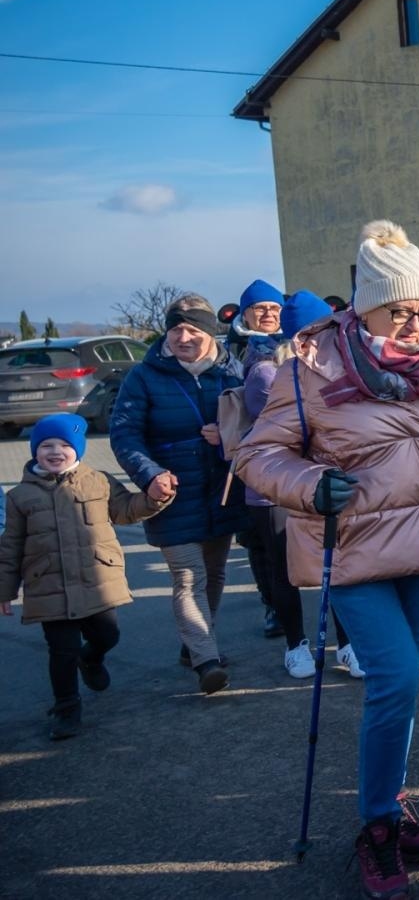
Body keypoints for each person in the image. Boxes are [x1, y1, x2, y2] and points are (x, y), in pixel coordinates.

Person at [234, 220, 419, 898]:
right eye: (399, 309)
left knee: (397, 689)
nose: (413, 322)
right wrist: (312, 487)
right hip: (350, 553)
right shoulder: (311, 368)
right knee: (396, 678)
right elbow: (256, 455)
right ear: (365, 306)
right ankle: (375, 824)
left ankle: (389, 798)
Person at [0, 414, 172, 739]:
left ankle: (91, 659)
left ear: (78, 450)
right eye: (46, 445)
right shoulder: (19, 496)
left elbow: (127, 510)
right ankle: (66, 708)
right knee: (61, 651)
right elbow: (10, 547)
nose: (55, 451)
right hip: (48, 586)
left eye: (64, 445)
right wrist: (4, 590)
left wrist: (155, 497)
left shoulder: (100, 481)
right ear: (35, 450)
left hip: (97, 581)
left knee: (108, 635)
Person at [110, 294, 249, 695]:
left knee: (216, 573)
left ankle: (193, 643)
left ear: (210, 331)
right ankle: (206, 659)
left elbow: (256, 423)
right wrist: (149, 474)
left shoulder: (232, 373)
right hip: (171, 491)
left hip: (221, 490)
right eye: (175, 329)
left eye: (192, 329)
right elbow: (124, 433)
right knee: (189, 576)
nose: (183, 337)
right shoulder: (144, 376)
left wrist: (227, 437)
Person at [241, 291, 360, 680]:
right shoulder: (267, 374)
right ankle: (296, 645)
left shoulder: (339, 367)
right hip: (275, 488)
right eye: (317, 330)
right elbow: (286, 437)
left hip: (325, 483)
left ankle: (347, 644)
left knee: (338, 565)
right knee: (286, 569)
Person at [227, 278, 287, 638]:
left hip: (290, 451)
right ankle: (273, 605)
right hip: (249, 452)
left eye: (274, 309)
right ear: (246, 313)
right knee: (258, 537)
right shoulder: (232, 348)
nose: (267, 315)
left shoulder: (293, 341)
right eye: (260, 309)